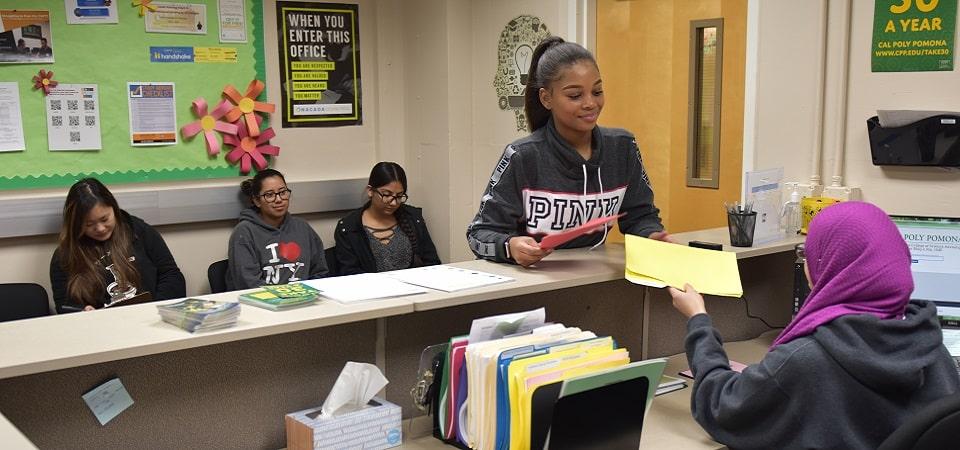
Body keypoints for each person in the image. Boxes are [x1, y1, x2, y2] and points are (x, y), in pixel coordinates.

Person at [669, 201, 960, 450]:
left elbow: (721, 407)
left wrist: (699, 320)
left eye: (811, 254)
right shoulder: (929, 342)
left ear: (831, 268)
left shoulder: (807, 359)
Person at [466, 36, 668, 267]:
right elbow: (478, 234)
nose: (590, 103)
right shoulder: (522, 156)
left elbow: (641, 217)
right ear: (546, 98)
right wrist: (510, 247)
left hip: (593, 282)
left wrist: (654, 237)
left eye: (597, 91)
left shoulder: (623, 148)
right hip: (529, 284)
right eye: (575, 95)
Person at [50, 178, 185, 313]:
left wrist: (155, 309)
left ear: (114, 209)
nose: (100, 228)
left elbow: (171, 275)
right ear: (76, 224)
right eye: (89, 224)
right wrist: (82, 311)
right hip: (101, 327)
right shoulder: (64, 256)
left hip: (151, 317)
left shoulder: (137, 230)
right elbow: (63, 305)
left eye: (105, 219)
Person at [226, 169, 328, 290]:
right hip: (264, 303)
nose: (279, 199)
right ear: (257, 201)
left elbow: (320, 273)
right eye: (269, 195)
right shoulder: (244, 232)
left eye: (283, 192)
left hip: (304, 301)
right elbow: (248, 284)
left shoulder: (302, 227)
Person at [334, 162, 440, 275]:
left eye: (399, 196)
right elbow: (349, 273)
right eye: (386, 194)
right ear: (370, 191)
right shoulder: (349, 227)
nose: (393, 202)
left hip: (415, 288)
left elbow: (432, 263)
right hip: (371, 290)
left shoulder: (413, 219)